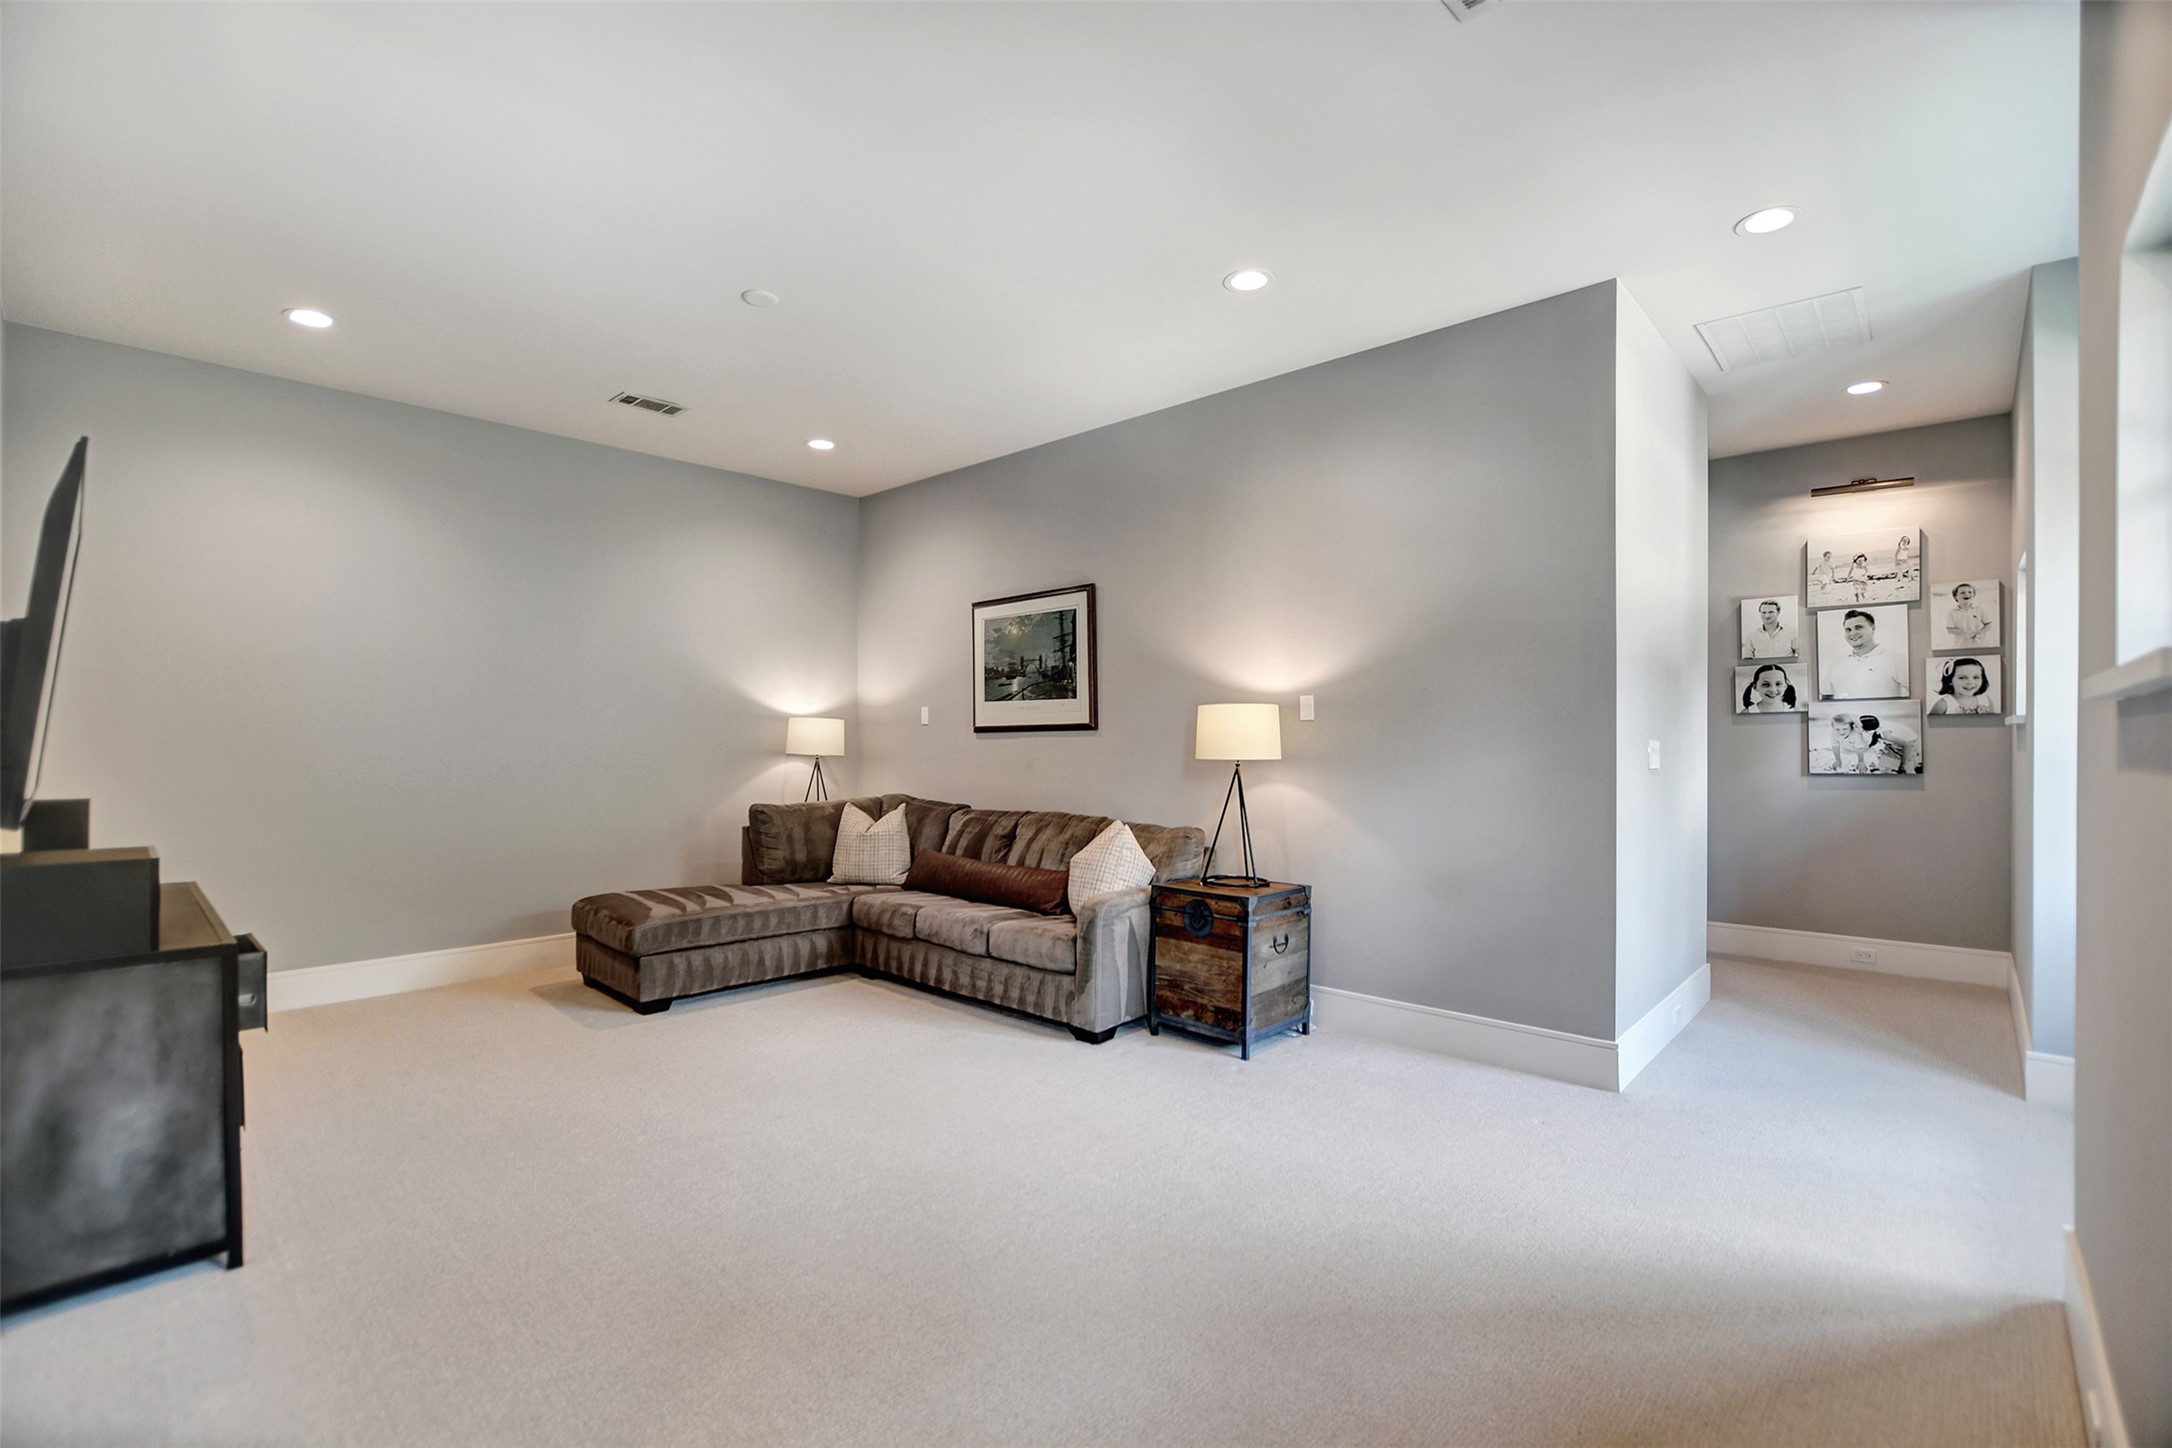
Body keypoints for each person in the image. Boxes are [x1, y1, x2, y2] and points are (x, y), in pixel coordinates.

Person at [1821, 609, 1910, 698]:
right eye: (1848, 629)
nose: (1853, 633)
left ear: (1873, 628)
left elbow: (1917, 692)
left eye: (1858, 627)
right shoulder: (1838, 662)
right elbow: (1826, 696)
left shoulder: (1895, 659)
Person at [1929, 657, 1997, 714]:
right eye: (1962, 678)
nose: (1970, 682)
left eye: (1976, 677)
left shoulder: (1986, 700)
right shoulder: (1943, 705)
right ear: (1950, 680)